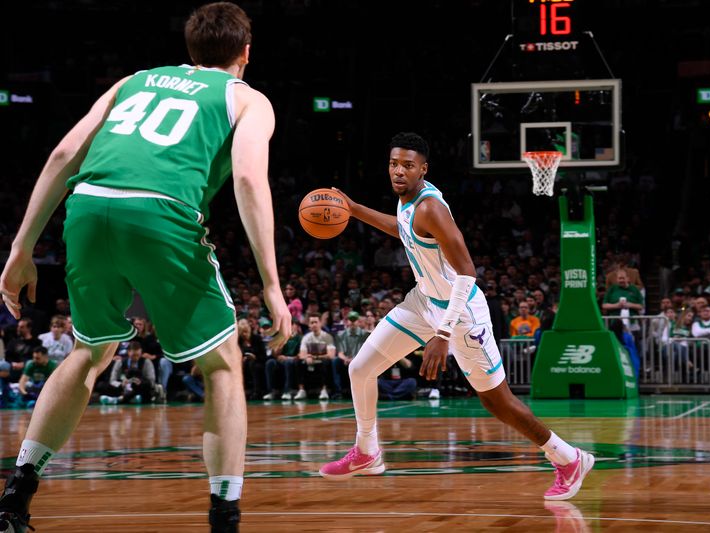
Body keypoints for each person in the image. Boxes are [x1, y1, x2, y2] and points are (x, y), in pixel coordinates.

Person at [0, 4, 291, 532]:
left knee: (91, 351)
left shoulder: (135, 81)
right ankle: (224, 517)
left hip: (88, 204)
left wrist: (21, 247)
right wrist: (272, 284)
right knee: (224, 363)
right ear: (246, 53)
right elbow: (249, 180)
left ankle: (15, 496)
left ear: (191, 50)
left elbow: (66, 151)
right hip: (161, 210)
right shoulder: (248, 98)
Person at [319, 132, 594, 500]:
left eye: (407, 166)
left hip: (461, 314)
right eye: (393, 164)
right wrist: (353, 208)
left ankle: (568, 458)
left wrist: (443, 334)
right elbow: (401, 229)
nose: (398, 171)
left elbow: (467, 272)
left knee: (496, 401)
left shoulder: (431, 207)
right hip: (423, 301)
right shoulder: (406, 201)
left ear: (423, 169)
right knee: (360, 368)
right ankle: (367, 452)